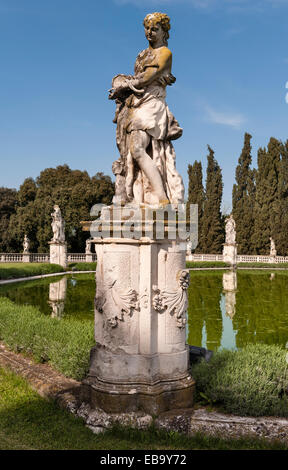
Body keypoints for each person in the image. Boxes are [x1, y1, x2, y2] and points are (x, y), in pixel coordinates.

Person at [109, 12, 184, 206]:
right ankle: (138, 195)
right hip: (136, 103)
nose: (149, 32)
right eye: (147, 28)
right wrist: (121, 88)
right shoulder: (142, 54)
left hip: (152, 104)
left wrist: (124, 85)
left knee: (137, 148)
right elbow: (138, 78)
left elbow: (146, 78)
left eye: (154, 29)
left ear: (164, 31)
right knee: (132, 151)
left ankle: (161, 197)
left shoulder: (164, 53)